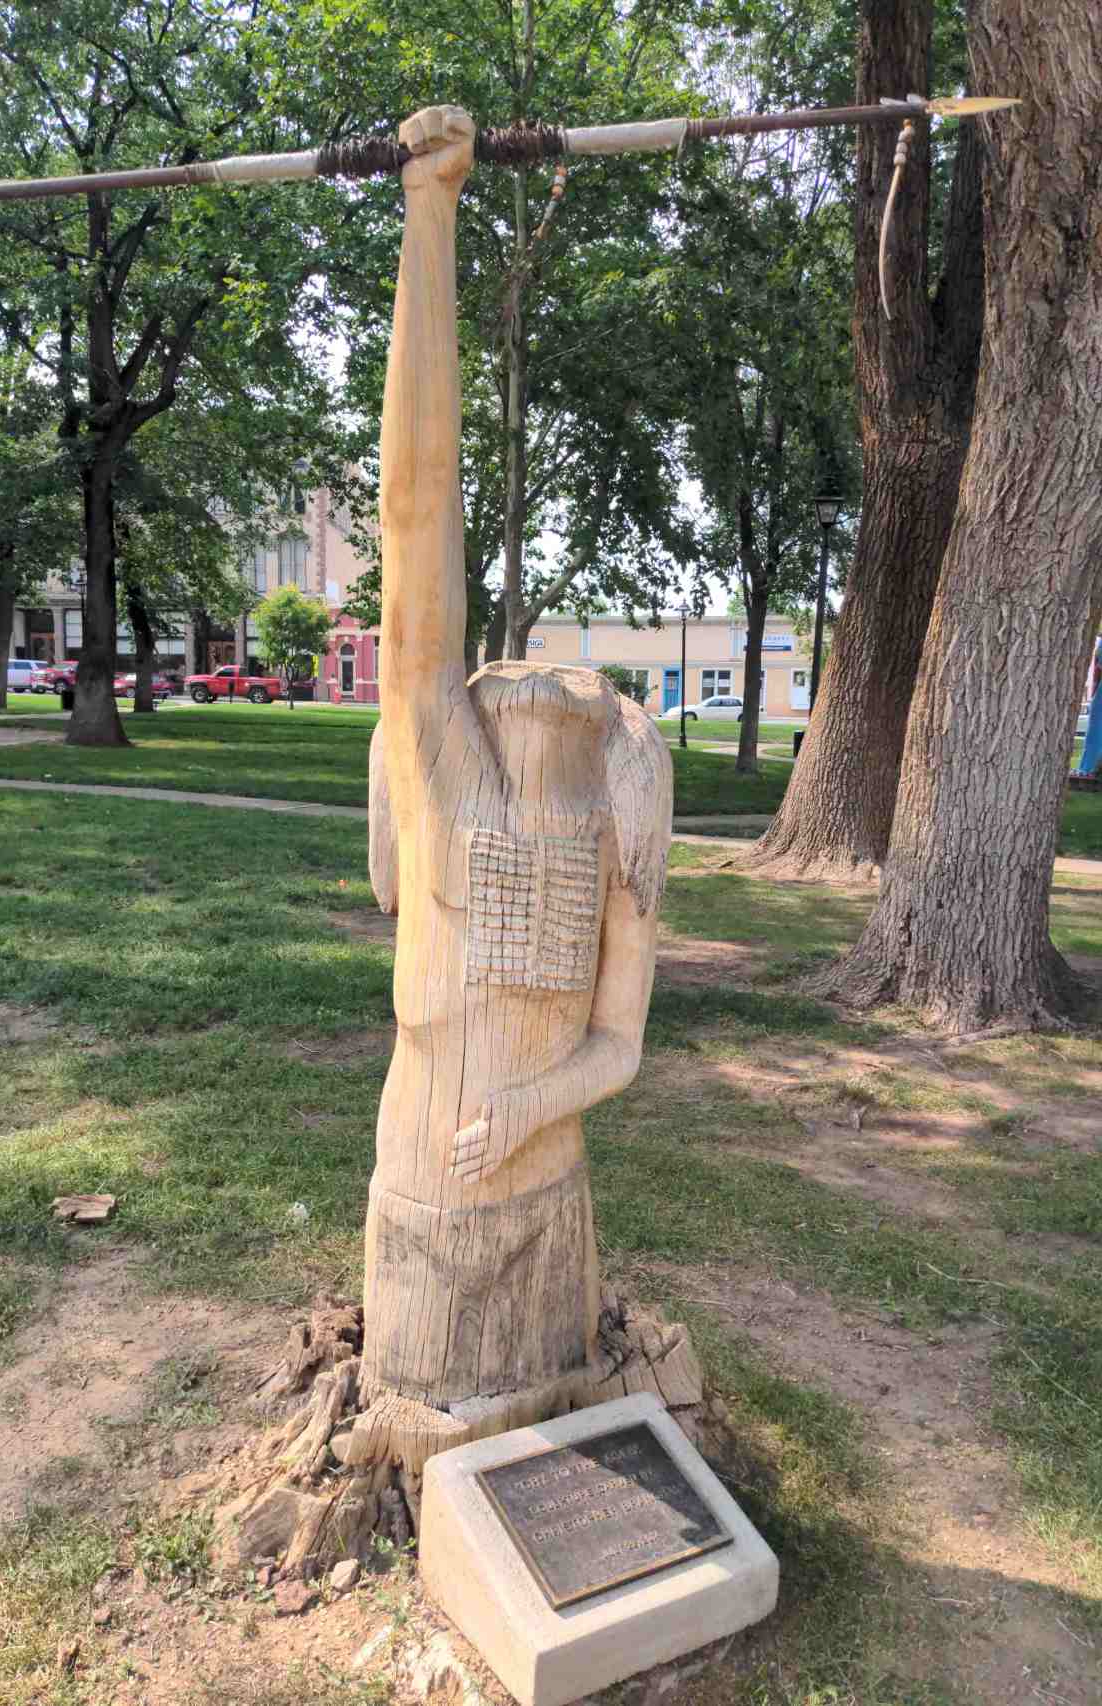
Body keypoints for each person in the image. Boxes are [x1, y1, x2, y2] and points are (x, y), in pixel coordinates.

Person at [364, 106, 672, 1410]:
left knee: (546, 1392)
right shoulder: (446, 776)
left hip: (545, 1198)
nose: (536, 694)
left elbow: (618, 1044)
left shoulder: (619, 811)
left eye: (573, 694)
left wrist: (532, 1109)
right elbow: (414, 516)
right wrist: (428, 214)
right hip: (422, 1193)